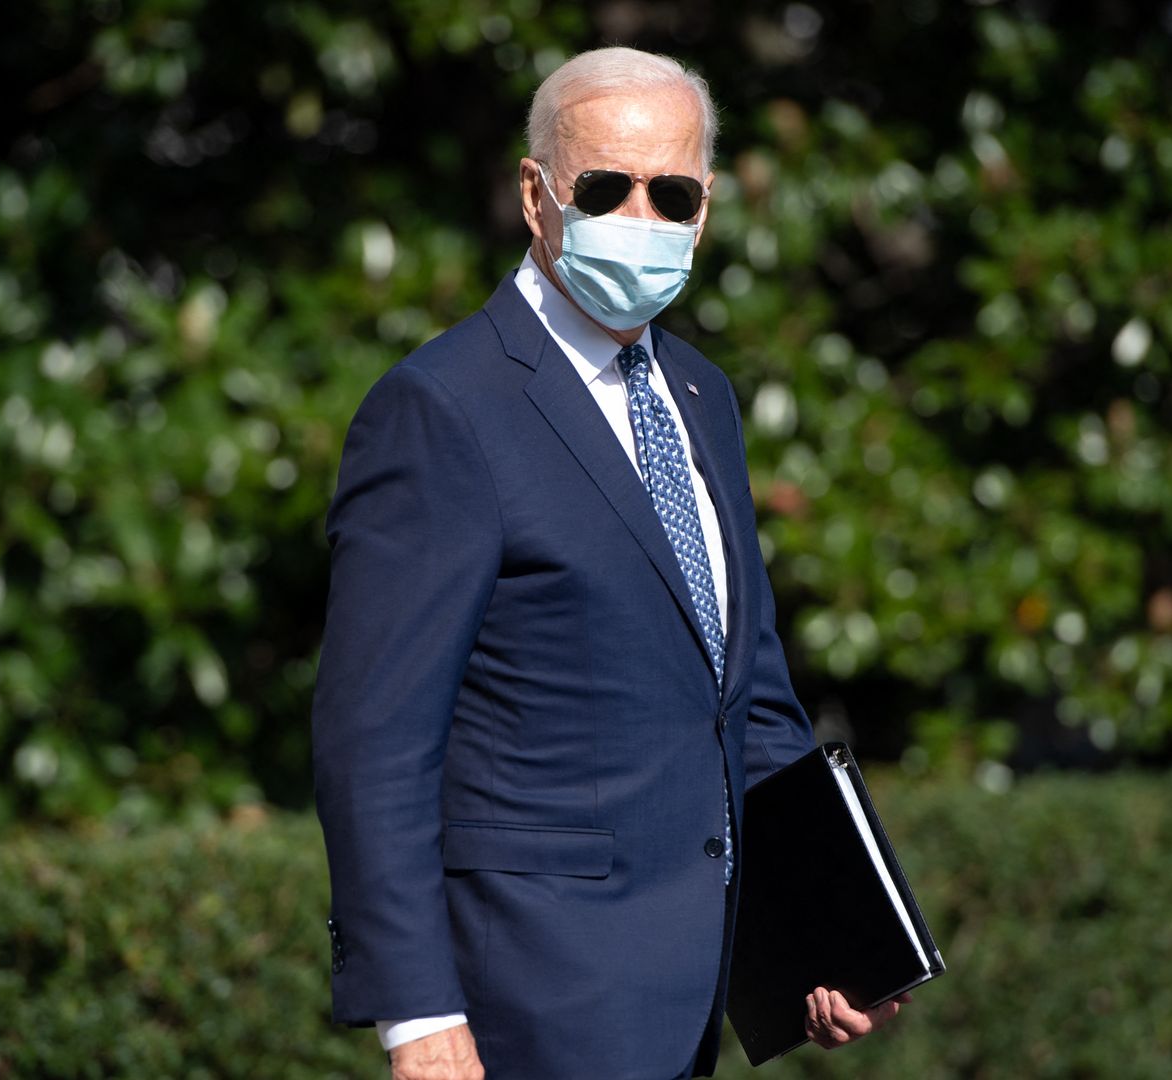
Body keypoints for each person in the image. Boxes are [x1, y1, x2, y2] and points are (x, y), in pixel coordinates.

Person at [312, 46, 905, 1079]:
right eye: (605, 187)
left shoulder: (701, 396)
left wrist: (833, 927)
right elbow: (376, 741)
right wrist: (415, 1011)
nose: (640, 217)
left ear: (707, 206)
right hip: (525, 1005)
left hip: (691, 1000)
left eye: (671, 192)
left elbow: (746, 699)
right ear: (538, 195)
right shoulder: (443, 409)